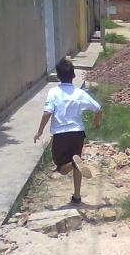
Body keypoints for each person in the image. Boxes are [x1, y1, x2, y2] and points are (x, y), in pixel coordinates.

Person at [33, 59, 102, 205]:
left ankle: (74, 164)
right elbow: (98, 108)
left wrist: (39, 131)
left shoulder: (53, 92)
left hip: (61, 135)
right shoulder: (79, 93)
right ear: (74, 75)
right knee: (76, 161)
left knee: (61, 168)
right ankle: (77, 196)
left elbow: (47, 113)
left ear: (58, 76)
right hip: (78, 134)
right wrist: (96, 122)